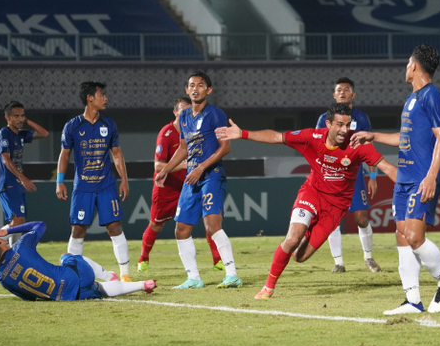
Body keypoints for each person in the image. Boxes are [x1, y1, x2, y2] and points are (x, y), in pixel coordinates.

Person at [215, 102, 398, 300]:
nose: (344, 130)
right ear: (327, 124)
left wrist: (412, 188)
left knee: (300, 257)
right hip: (312, 193)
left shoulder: (358, 145)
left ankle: (307, 230)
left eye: (348, 125)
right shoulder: (312, 137)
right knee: (293, 238)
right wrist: (242, 133)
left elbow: (388, 168)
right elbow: (277, 137)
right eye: (339, 125)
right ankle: (268, 288)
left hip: (336, 207)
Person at [351, 44, 440, 314]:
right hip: (404, 179)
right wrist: (372, 136)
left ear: (414, 66)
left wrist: (431, 176)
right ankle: (412, 300)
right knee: (401, 236)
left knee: (413, 236)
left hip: (422, 178)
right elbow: (404, 139)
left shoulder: (431, 95)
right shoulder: (411, 99)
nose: (405, 67)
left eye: (407, 63)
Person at [155, 71, 241, 290]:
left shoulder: (216, 114)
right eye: (191, 85)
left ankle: (232, 275)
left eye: (200, 85)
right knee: (181, 228)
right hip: (191, 177)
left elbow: (226, 147)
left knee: (212, 225)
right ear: (187, 90)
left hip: (211, 175)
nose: (195, 89)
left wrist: (202, 166)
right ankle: (193, 278)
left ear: (208, 90)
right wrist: (166, 169)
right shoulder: (183, 116)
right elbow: (183, 149)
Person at [55, 82, 133, 282]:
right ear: (90, 98)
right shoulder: (73, 126)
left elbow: (116, 154)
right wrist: (60, 181)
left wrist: (124, 179)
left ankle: (125, 274)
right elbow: (64, 154)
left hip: (106, 185)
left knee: (115, 227)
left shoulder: (109, 124)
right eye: (102, 94)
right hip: (83, 187)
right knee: (78, 229)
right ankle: (72, 274)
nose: (105, 98)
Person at [139, 97, 222, 272]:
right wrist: (187, 164)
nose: (186, 113)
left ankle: (218, 261)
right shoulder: (167, 133)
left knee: (208, 218)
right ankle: (143, 258)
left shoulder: (196, 130)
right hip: (167, 187)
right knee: (156, 224)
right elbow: (158, 166)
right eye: (182, 110)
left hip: (190, 184)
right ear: (175, 113)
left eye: (189, 109)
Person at [0, 221, 156, 301]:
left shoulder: (2, 278)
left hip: (67, 297)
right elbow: (39, 225)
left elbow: (29, 297)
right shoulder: (22, 245)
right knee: (67, 257)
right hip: (76, 276)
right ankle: (110, 276)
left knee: (99, 291)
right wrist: (9, 230)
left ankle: (142, 285)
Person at [316, 77, 380, 273]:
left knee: (361, 217)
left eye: (346, 89)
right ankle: (339, 263)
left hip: (354, 174)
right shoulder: (323, 119)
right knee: (333, 218)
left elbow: (369, 147)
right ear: (334, 95)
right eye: (339, 90)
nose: (342, 92)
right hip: (331, 175)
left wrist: (373, 176)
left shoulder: (361, 119)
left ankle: (368, 258)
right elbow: (318, 147)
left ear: (353, 95)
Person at [0, 101, 49, 247]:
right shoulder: (4, 134)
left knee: (19, 222)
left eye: (22, 116)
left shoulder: (21, 134)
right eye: (16, 116)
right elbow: (5, 159)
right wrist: (23, 178)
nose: (20, 119)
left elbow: (45, 133)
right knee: (18, 220)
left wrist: (28, 121)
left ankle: (10, 251)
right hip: (8, 183)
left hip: (17, 184)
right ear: (7, 118)